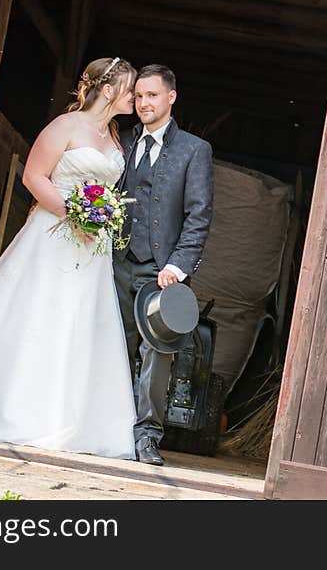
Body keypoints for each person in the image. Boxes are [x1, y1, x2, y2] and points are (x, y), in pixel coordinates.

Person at [0, 57, 139, 460]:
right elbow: (34, 177)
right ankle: (13, 411)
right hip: (53, 237)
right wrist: (73, 216)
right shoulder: (64, 127)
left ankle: (69, 419)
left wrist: (99, 220)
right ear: (108, 91)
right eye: (129, 88)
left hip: (93, 249)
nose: (134, 96)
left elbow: (105, 188)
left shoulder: (112, 133)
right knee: (38, 317)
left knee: (81, 325)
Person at [113, 64, 214, 465]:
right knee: (114, 346)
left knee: (157, 352)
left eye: (151, 95)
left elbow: (199, 215)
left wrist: (178, 266)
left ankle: (146, 437)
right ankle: (110, 425)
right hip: (115, 263)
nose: (143, 104)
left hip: (162, 271)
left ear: (171, 97)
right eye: (138, 96)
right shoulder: (120, 142)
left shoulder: (194, 150)